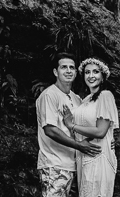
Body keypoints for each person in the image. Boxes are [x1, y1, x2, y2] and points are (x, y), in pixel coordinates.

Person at [36, 52, 102, 197]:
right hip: (54, 165)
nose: (68, 71)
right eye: (63, 67)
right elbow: (50, 130)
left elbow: (82, 129)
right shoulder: (49, 95)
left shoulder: (76, 99)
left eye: (71, 68)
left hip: (74, 166)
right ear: (55, 71)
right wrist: (79, 145)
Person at [62, 57, 119, 197]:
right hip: (83, 157)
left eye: (96, 72)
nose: (91, 76)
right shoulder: (87, 99)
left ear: (103, 76)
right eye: (87, 72)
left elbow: (100, 131)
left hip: (98, 156)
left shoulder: (105, 96)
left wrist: (71, 125)